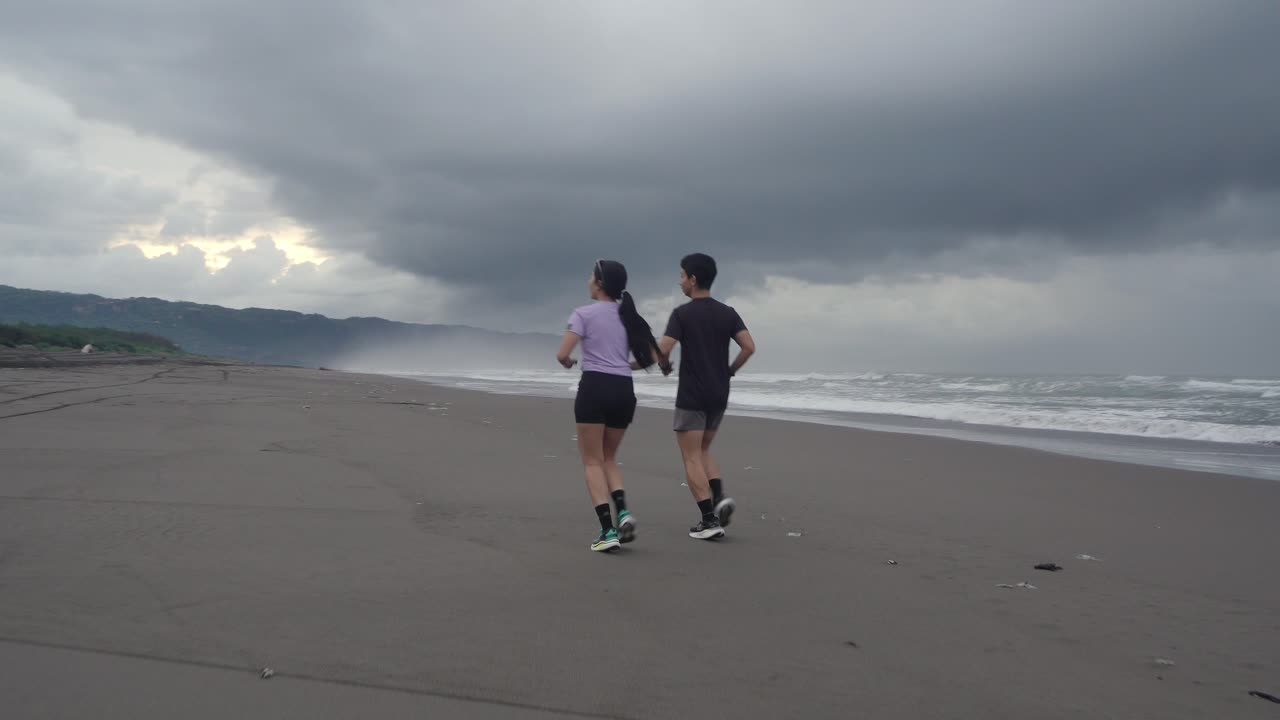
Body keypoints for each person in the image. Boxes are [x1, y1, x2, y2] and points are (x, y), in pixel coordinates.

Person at [556, 260, 666, 552]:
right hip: (623, 389)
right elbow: (655, 357)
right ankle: (624, 513)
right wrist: (623, 364)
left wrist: (568, 363)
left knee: (592, 461)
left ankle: (607, 530)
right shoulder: (630, 316)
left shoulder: (583, 314)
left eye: (591, 275)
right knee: (608, 458)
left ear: (600, 283)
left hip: (594, 387)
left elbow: (562, 353)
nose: (588, 280)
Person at [657, 253, 755, 540]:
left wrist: (656, 363)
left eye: (682, 276)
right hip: (719, 392)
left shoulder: (682, 314)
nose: (680, 282)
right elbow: (749, 346)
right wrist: (730, 371)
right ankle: (719, 497)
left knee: (690, 456)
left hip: (692, 394)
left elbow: (664, 349)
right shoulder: (728, 312)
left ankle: (709, 521)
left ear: (693, 279)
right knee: (702, 451)